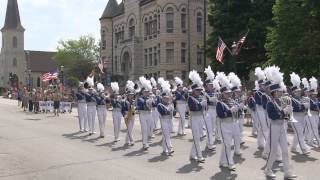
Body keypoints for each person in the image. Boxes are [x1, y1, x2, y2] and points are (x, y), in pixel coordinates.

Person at [264, 77, 297, 179]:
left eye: (280, 91)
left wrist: (288, 113)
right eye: (278, 91)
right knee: (273, 150)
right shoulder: (270, 103)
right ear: (274, 92)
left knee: (285, 150)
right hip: (274, 127)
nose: (280, 92)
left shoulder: (282, 102)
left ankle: (287, 172)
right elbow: (272, 116)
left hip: (282, 126)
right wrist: (284, 112)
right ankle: (268, 169)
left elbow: (284, 115)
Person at [216, 72, 238, 171]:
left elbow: (237, 110)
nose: (228, 94)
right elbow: (221, 115)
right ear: (222, 94)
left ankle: (222, 161)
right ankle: (230, 162)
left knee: (228, 144)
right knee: (227, 144)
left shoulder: (231, 101)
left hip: (232, 123)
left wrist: (239, 108)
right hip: (224, 124)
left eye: (229, 93)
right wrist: (230, 111)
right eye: (226, 93)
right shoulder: (219, 103)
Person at [290, 72, 310, 155]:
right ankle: (303, 148)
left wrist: (306, 107)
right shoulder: (291, 99)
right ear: (294, 92)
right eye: (296, 91)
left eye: (299, 91)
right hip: (295, 117)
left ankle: (293, 147)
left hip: (302, 117)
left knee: (298, 133)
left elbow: (306, 109)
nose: (298, 92)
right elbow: (294, 108)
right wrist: (302, 106)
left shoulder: (302, 98)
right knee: (299, 133)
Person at [188, 70, 206, 163]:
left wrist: (204, 104)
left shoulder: (200, 97)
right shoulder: (190, 98)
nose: (199, 91)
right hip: (194, 118)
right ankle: (199, 156)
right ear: (193, 90)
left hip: (200, 117)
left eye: (199, 90)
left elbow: (202, 108)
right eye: (197, 90)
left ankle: (192, 154)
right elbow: (194, 108)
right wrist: (201, 104)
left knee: (198, 137)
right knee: (196, 137)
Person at [157, 80, 174, 156]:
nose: (167, 99)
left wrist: (172, 109)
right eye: (165, 98)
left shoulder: (169, 104)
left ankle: (164, 149)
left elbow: (174, 113)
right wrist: (169, 109)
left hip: (169, 120)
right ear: (162, 98)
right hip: (163, 121)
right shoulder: (160, 105)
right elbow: (163, 113)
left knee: (166, 135)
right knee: (166, 135)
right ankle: (170, 148)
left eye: (167, 98)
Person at [136, 77, 153, 150]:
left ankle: (146, 142)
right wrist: (148, 100)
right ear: (142, 92)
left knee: (149, 129)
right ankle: (144, 143)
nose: (146, 93)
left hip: (149, 114)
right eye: (145, 92)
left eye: (147, 92)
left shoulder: (150, 98)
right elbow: (142, 104)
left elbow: (154, 105)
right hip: (142, 114)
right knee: (144, 129)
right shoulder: (140, 98)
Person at [122, 80, 136, 146]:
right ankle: (131, 141)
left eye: (132, 95)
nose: (131, 96)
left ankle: (126, 141)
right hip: (127, 116)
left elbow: (134, 108)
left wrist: (135, 109)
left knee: (130, 129)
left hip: (133, 116)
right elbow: (123, 109)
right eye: (130, 95)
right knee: (129, 128)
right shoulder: (125, 101)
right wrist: (125, 115)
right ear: (127, 95)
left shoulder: (133, 101)